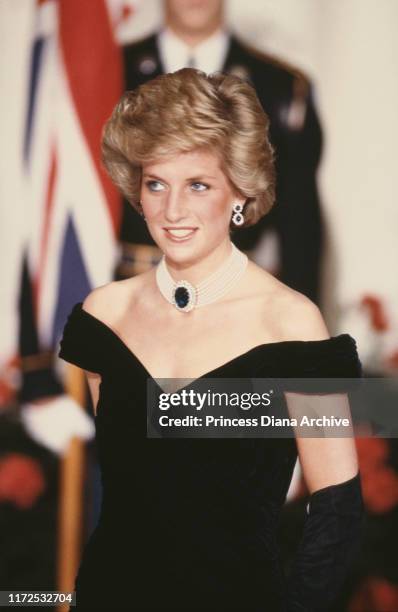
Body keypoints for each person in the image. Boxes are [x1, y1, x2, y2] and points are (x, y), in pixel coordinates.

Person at [59, 69, 363, 611]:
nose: (173, 210)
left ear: (240, 192)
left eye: (197, 184)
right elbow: (135, 497)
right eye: (157, 183)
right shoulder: (105, 316)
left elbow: (337, 509)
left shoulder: (290, 324)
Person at [118, 0, 324, 305]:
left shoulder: (280, 87)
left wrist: (295, 336)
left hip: (237, 303)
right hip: (129, 295)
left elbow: (300, 229)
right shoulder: (108, 72)